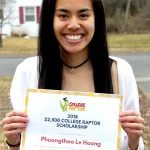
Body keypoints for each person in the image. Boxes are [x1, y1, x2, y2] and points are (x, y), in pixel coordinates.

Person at [1, 0, 144, 149]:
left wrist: (134, 140)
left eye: (83, 15)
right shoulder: (28, 71)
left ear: (97, 19)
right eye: (63, 16)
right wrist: (14, 141)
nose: (74, 25)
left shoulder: (119, 71)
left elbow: (133, 144)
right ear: (50, 19)